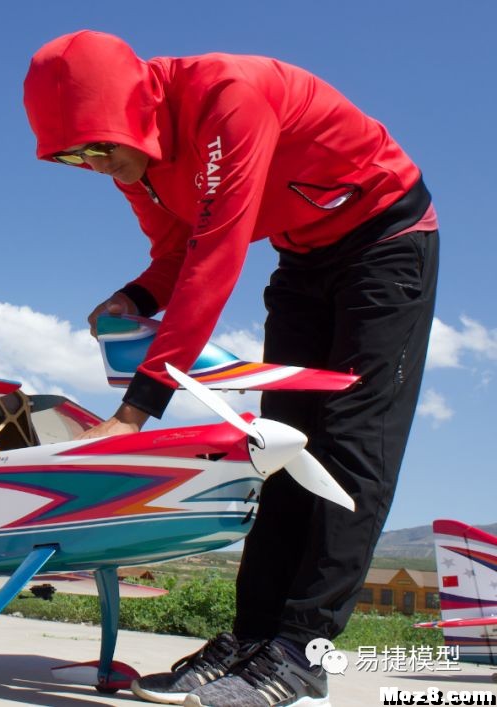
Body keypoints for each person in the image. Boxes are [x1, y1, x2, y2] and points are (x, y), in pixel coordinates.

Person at [23, 31, 438, 707]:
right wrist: (138, 296)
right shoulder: (140, 156)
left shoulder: (227, 99)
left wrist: (132, 412)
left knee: (351, 446)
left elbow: (215, 262)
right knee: (280, 451)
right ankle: (251, 641)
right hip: (304, 256)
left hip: (385, 239)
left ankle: (302, 654)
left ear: (132, 112)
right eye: (73, 156)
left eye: (97, 146)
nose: (94, 166)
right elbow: (175, 255)